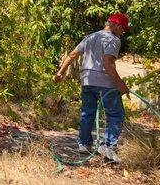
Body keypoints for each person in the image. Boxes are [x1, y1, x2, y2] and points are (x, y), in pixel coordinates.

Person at [54, 13, 130, 163]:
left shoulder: (91, 36)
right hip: (104, 82)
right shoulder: (113, 39)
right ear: (117, 26)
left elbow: (73, 54)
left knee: (87, 113)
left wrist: (59, 73)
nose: (123, 33)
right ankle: (107, 146)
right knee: (116, 115)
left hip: (87, 80)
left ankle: (84, 144)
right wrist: (120, 84)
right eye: (123, 29)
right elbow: (107, 62)